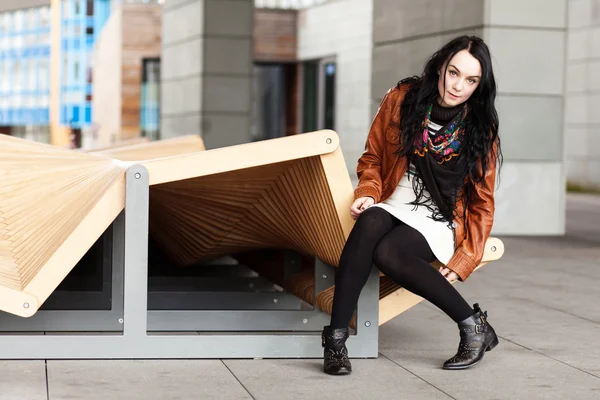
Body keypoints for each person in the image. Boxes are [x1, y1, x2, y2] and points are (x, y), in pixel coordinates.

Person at [321, 35, 502, 375]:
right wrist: (369, 192)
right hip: (394, 199)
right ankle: (335, 340)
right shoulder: (403, 99)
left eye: (471, 80)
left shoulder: (480, 126)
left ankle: (472, 326)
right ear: (441, 68)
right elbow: (373, 157)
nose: (458, 86)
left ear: (480, 85)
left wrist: (467, 256)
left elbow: (481, 201)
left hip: (441, 216)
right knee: (370, 221)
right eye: (453, 73)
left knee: (388, 252)